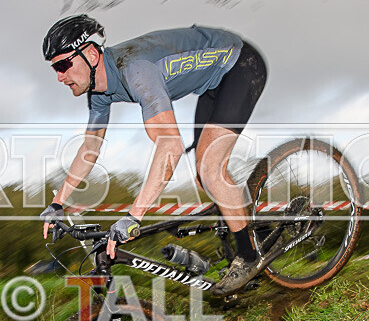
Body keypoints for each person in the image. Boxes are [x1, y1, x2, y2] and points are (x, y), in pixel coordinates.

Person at [39, 15, 268, 295]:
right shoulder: (98, 91)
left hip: (239, 65)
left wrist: (134, 216)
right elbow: (90, 148)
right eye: (55, 69)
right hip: (213, 83)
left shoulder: (136, 71)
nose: (60, 77)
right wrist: (58, 203)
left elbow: (170, 146)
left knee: (211, 169)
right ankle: (255, 230)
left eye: (63, 65)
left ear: (91, 55)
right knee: (204, 174)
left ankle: (248, 256)